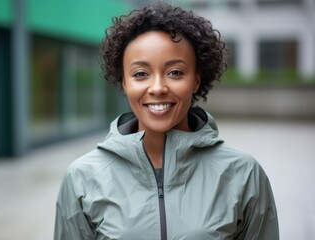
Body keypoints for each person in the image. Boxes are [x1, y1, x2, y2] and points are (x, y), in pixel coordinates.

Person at [54, 2, 279, 239]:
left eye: (175, 72)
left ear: (195, 80)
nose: (158, 88)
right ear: (124, 83)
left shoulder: (243, 174)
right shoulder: (82, 178)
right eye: (141, 74)